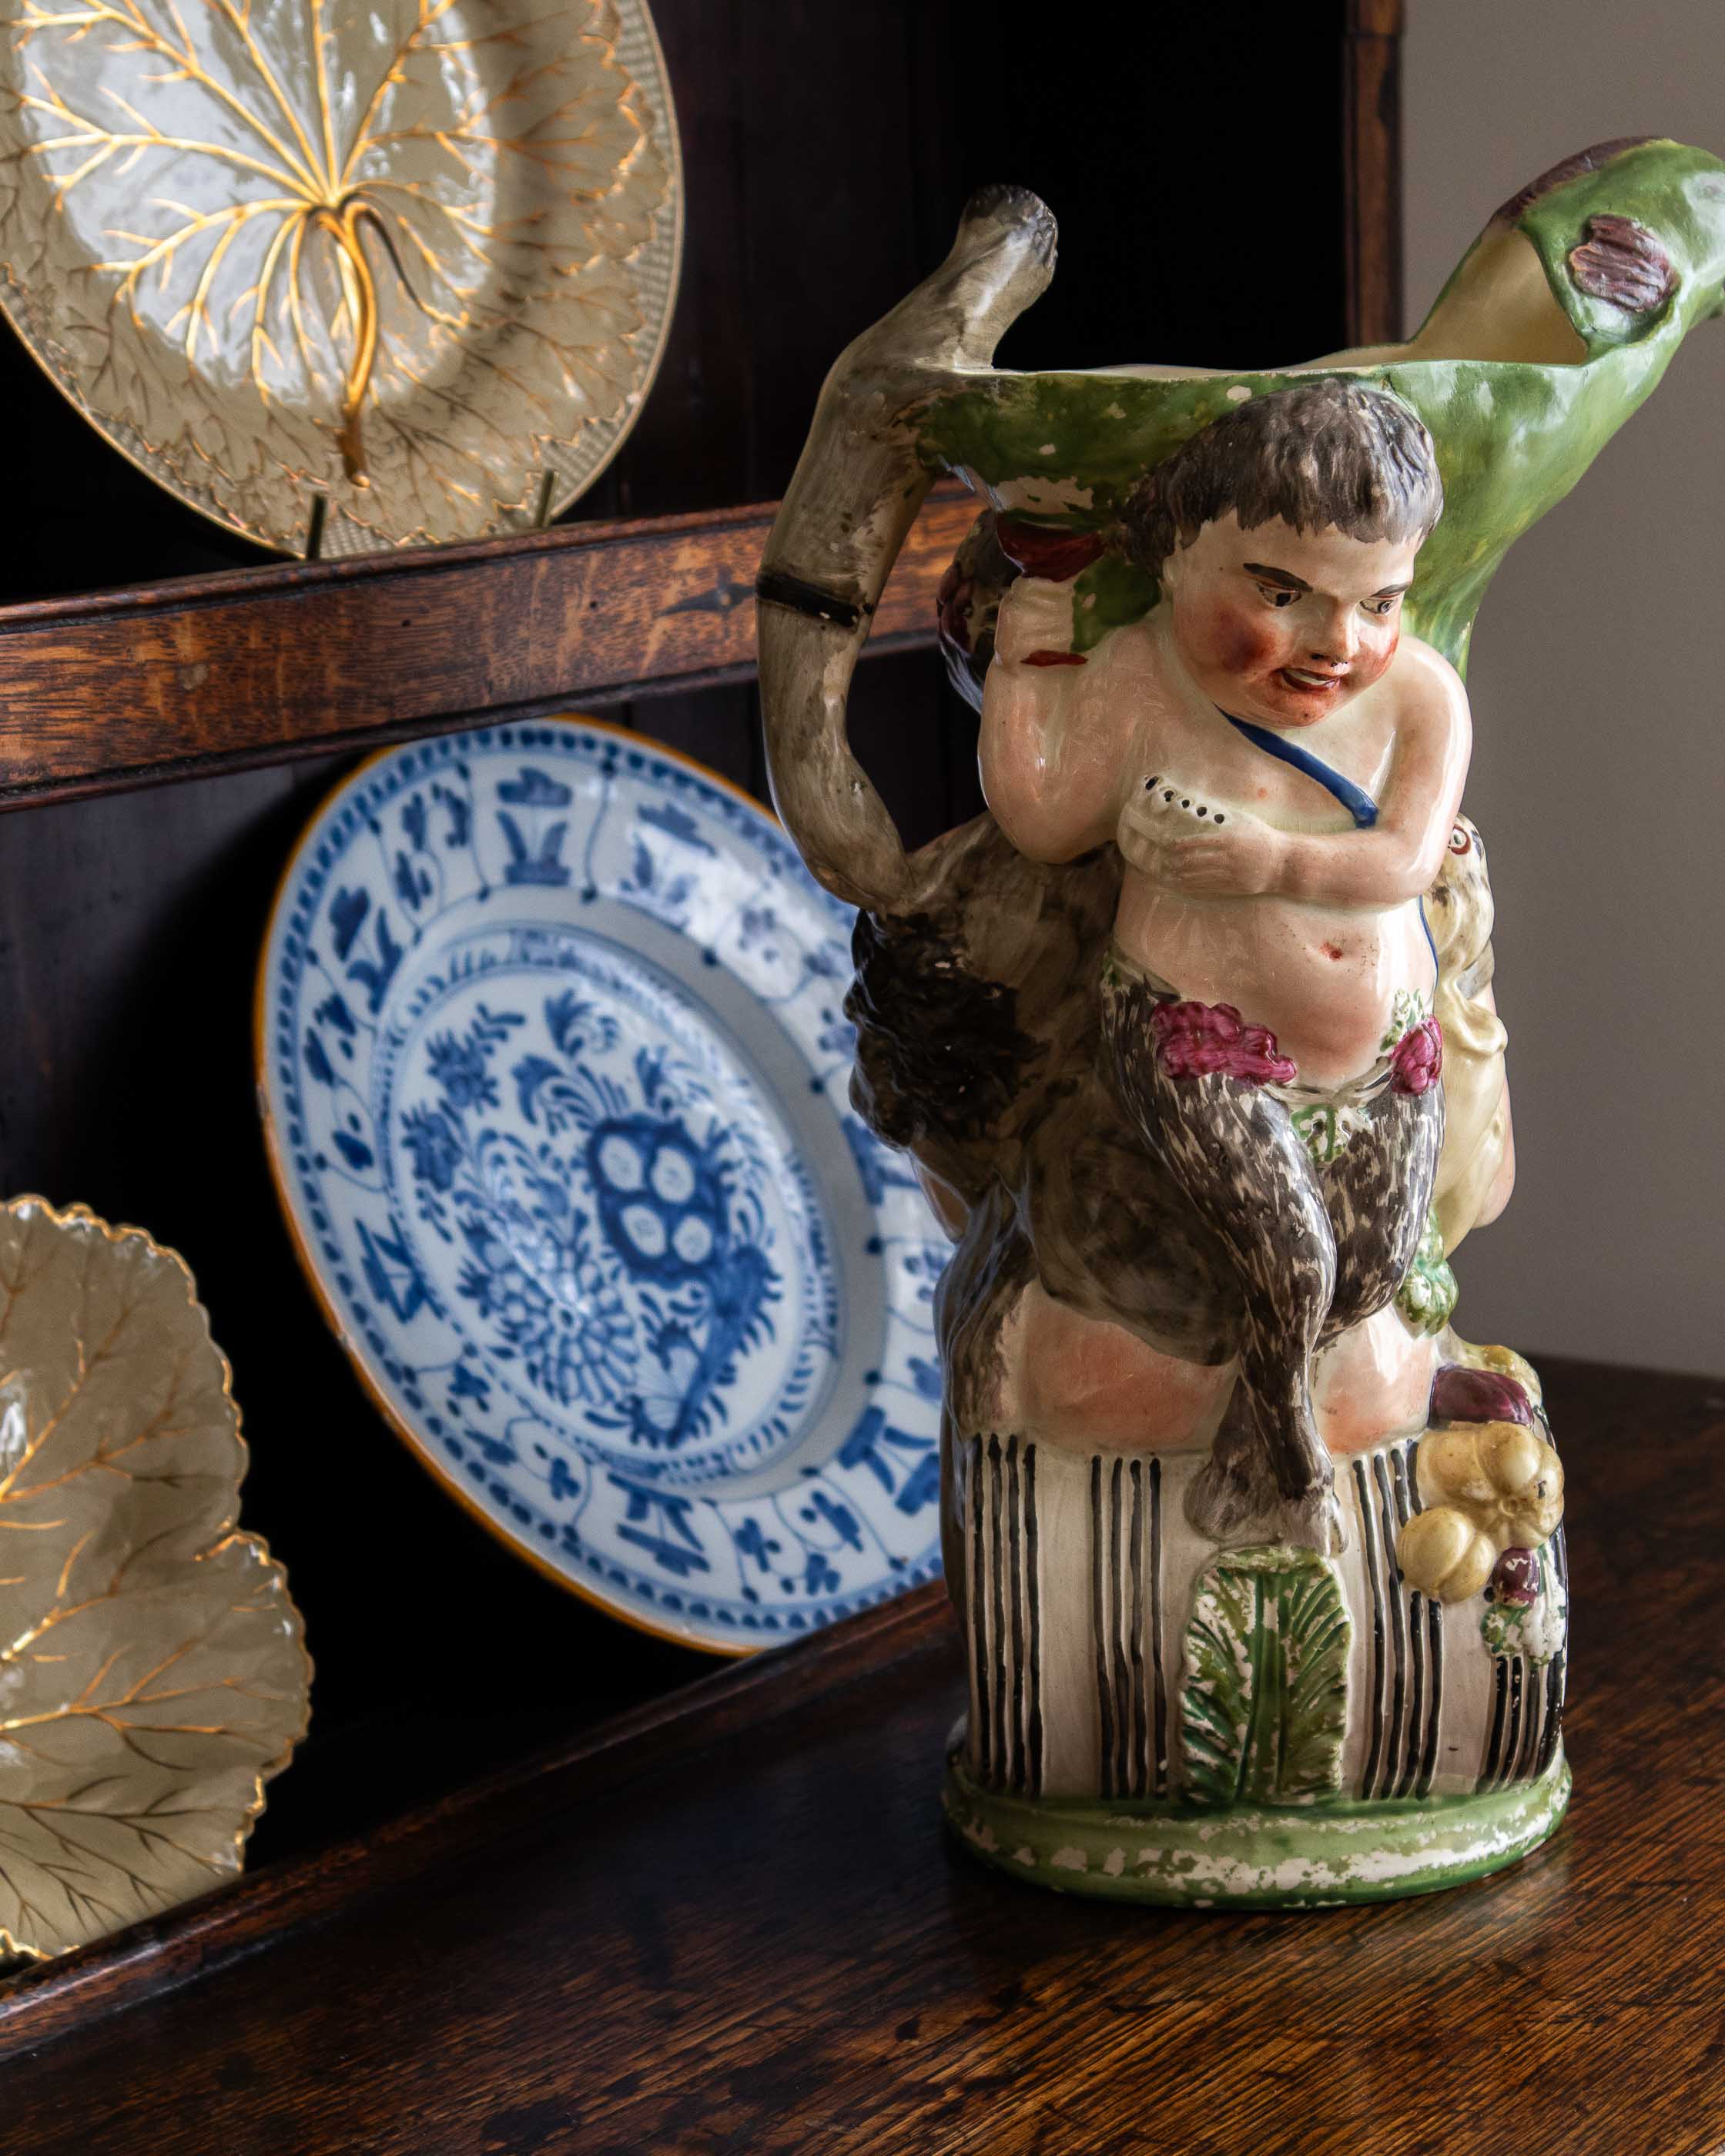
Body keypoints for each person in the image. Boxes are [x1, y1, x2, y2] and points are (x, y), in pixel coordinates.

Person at [979, 379, 1470, 1552]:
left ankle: (1256, 1429)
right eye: (1283, 592)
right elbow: (1047, 820)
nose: (1335, 644)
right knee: (1290, 1253)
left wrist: (1263, 861)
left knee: (1370, 1265)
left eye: (1380, 601)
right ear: (1179, 560)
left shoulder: (1420, 699)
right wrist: (1022, 679)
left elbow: (1402, 859)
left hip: (1380, 1043)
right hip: (1199, 1034)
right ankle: (1292, 1464)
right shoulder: (1146, 682)